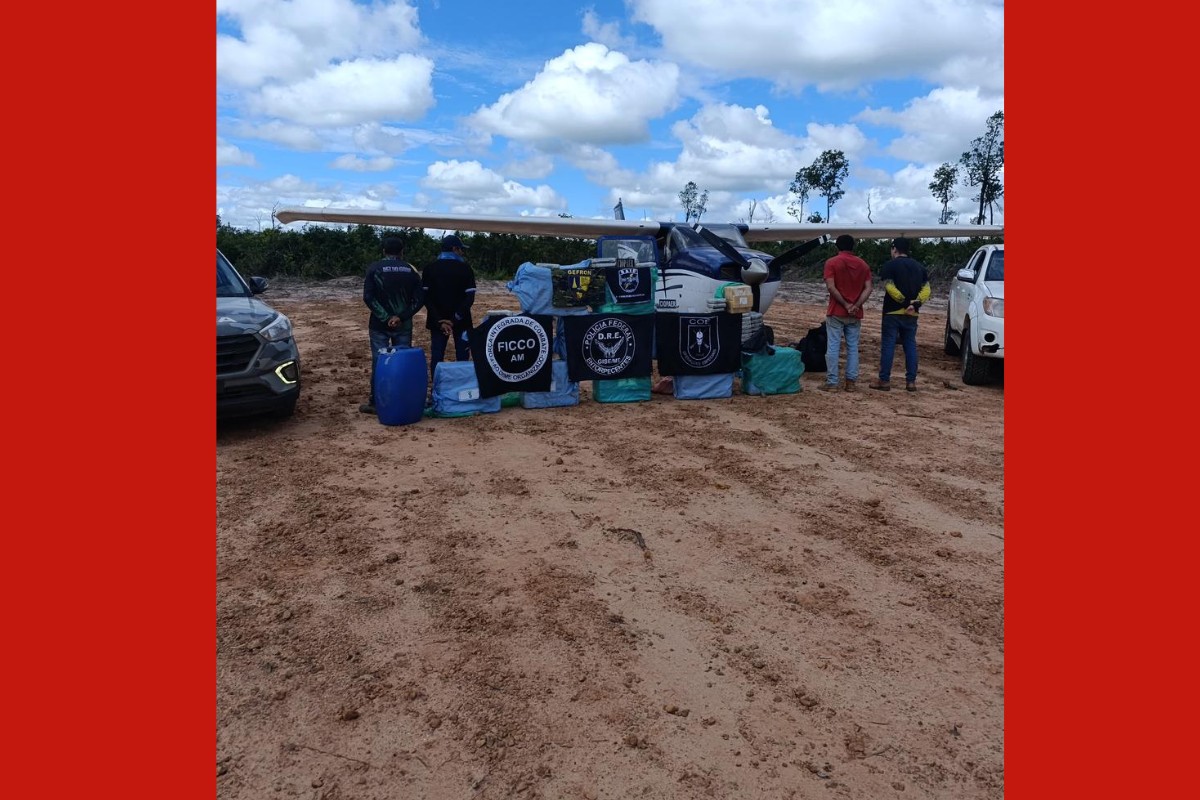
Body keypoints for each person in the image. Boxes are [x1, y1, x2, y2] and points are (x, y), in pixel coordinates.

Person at [359, 237, 424, 414]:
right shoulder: (410, 270)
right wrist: (400, 317)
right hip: (403, 325)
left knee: (379, 362)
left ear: (383, 251)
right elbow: (419, 299)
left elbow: (368, 297)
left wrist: (385, 317)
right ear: (402, 252)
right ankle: (403, 398)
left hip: (379, 325)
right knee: (402, 362)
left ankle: (375, 402)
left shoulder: (374, 268)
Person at [870, 237, 931, 392]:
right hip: (912, 314)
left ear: (894, 249)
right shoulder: (919, 267)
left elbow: (890, 287)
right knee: (910, 345)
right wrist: (915, 304)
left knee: (888, 346)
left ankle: (884, 380)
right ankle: (911, 382)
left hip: (892, 312)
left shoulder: (890, 266)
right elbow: (927, 290)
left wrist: (904, 302)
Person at [818, 234, 873, 392]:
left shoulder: (832, 262)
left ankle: (832, 382)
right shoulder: (863, 264)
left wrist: (845, 304)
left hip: (836, 311)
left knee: (833, 346)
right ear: (853, 247)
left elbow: (831, 286)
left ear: (837, 246)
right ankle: (851, 382)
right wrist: (855, 305)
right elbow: (868, 287)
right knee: (853, 347)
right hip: (855, 314)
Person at [422, 234, 477, 382]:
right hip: (462, 321)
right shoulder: (465, 269)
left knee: (437, 356)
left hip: (437, 321)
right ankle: (462, 389)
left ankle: (436, 391)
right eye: (461, 249)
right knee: (463, 357)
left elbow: (425, 298)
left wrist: (440, 320)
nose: (462, 253)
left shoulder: (429, 268)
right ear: (454, 249)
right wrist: (454, 319)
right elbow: (469, 298)